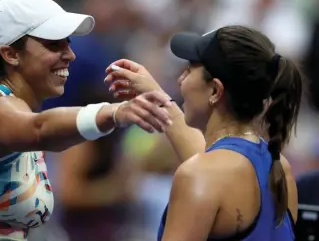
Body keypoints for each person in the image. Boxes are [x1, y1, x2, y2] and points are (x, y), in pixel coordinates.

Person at [0, 0, 173, 240]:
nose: (70, 55)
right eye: (54, 44)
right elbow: (39, 129)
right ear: (11, 54)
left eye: (67, 43)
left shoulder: (21, 122)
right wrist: (115, 112)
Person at [105, 25, 302, 241]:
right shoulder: (279, 168)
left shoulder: (199, 175)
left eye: (189, 70)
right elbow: (212, 165)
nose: (180, 80)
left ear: (215, 91)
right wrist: (156, 95)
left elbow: (207, 173)